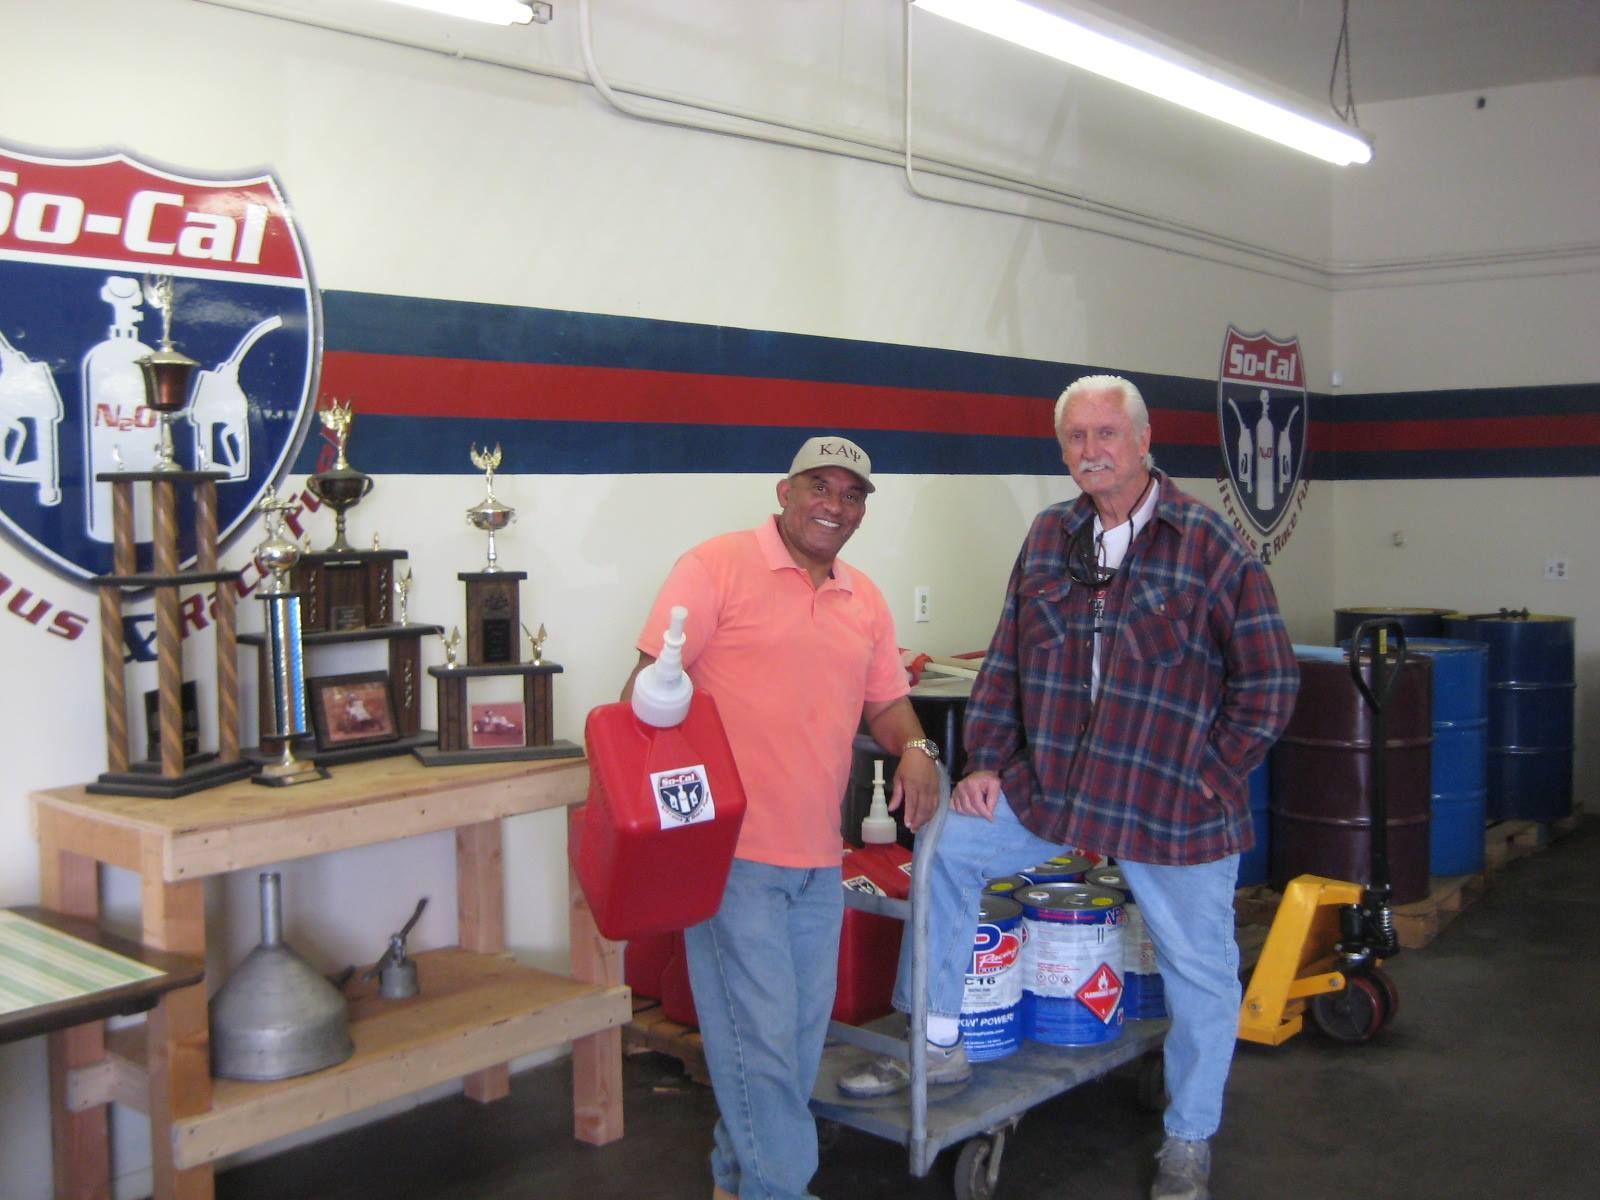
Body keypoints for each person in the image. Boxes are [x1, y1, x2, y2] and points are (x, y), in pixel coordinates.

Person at [837, 376, 1298, 1200]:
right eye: (1076, 437)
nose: (1092, 449)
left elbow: (1269, 680)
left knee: (1202, 970)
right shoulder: (1053, 535)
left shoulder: (1207, 544)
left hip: (1171, 800)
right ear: (1063, 451)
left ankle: (1189, 1137)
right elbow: (1006, 659)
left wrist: (1210, 773)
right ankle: (939, 1044)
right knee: (945, 849)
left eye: (1106, 433)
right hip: (1056, 785)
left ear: (1144, 441)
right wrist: (984, 763)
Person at [625, 434, 940, 1200]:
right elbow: (645, 690)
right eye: (819, 487)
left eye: (853, 494)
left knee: (794, 1042)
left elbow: (887, 699)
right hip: (732, 858)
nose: (835, 505)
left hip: (817, 859)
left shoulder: (861, 597)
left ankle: (735, 1180)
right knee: (760, 1044)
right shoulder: (715, 567)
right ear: (784, 492)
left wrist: (917, 748)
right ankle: (780, 1190)